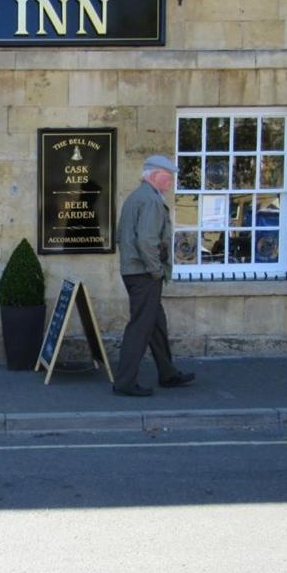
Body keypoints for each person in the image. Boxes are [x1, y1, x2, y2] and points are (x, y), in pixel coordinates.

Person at [112, 155, 195, 397]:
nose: (170, 183)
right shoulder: (150, 201)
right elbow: (147, 241)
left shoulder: (137, 197)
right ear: (155, 175)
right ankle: (125, 382)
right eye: (168, 178)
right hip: (144, 274)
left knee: (156, 323)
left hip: (135, 272)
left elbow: (122, 236)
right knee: (140, 327)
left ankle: (167, 373)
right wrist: (156, 270)